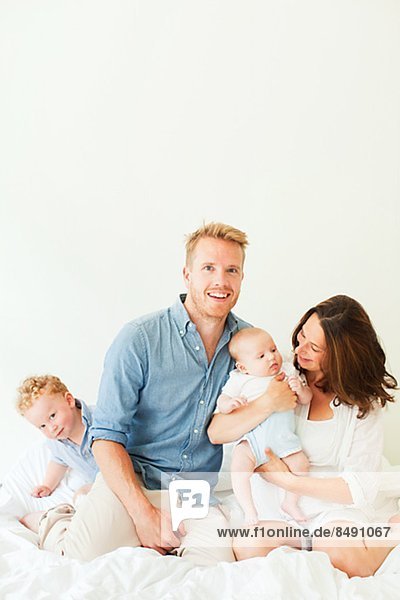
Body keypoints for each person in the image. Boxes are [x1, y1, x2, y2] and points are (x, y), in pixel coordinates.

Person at [32, 222, 298, 564]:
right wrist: (144, 515)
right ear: (187, 274)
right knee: (77, 560)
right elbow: (105, 439)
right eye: (208, 268)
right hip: (133, 481)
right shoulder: (139, 339)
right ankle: (55, 521)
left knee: (213, 574)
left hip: (195, 493)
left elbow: (283, 387)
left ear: (242, 278)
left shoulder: (249, 345)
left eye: (232, 270)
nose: (221, 280)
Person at [208, 295, 399, 577]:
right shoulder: (276, 369)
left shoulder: (361, 404)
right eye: (302, 335)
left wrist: (289, 481)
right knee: (250, 547)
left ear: (340, 355)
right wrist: (267, 403)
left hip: (330, 507)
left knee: (340, 553)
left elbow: (357, 487)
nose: (299, 349)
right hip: (277, 507)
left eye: (314, 347)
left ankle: (393, 530)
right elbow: (217, 431)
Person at [215, 327, 312, 524]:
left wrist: (300, 390)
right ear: (243, 367)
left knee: (302, 465)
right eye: (261, 356)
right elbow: (222, 400)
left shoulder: (287, 371)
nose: (271, 357)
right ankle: (249, 510)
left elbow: (306, 399)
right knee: (239, 468)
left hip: (283, 439)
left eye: (273, 349)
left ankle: (290, 502)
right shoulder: (240, 379)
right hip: (252, 440)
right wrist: (229, 405)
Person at [16, 375, 98, 528]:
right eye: (42, 426)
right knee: (81, 495)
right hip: (98, 485)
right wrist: (47, 485)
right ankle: (58, 520)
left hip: (122, 475)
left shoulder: (100, 419)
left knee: (88, 494)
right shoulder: (57, 443)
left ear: (69, 400)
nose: (51, 428)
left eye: (52, 416)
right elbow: (58, 461)